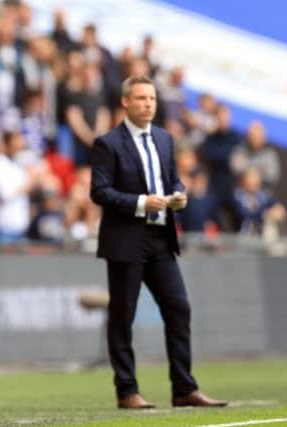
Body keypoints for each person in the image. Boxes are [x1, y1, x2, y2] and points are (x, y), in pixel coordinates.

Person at [89, 75, 227, 410]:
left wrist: (178, 194)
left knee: (178, 308)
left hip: (161, 238)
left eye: (151, 98)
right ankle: (127, 391)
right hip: (126, 240)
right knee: (123, 317)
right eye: (140, 98)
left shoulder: (165, 139)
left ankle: (184, 388)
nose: (148, 104)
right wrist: (140, 202)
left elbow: (173, 179)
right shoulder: (108, 143)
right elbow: (100, 191)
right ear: (125, 102)